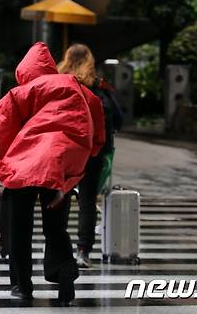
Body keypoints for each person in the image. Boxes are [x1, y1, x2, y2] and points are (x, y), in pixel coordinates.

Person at [0, 42, 105, 305]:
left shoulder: (19, 93)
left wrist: (3, 166)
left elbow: (3, 130)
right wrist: (78, 164)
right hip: (59, 166)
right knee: (55, 228)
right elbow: (95, 128)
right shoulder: (75, 87)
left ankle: (22, 286)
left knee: (20, 228)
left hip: (24, 167)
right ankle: (65, 270)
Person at [58, 44, 123, 269]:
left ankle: (57, 247)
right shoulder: (98, 86)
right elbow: (119, 118)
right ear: (90, 61)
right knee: (87, 202)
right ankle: (83, 251)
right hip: (92, 151)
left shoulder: (58, 83)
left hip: (63, 149)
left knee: (60, 198)